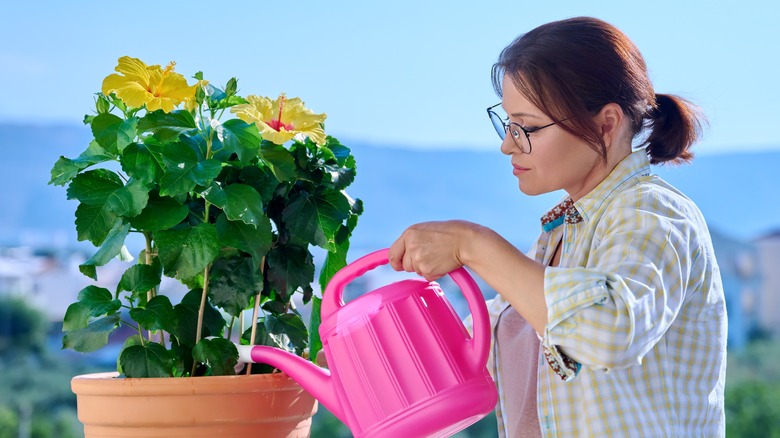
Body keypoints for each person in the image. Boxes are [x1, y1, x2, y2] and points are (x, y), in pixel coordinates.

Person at [388, 16, 726, 437]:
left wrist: (472, 244)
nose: (508, 144)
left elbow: (609, 331)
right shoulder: (561, 234)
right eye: (508, 124)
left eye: (527, 127)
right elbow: (472, 349)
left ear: (606, 123)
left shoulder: (651, 213)